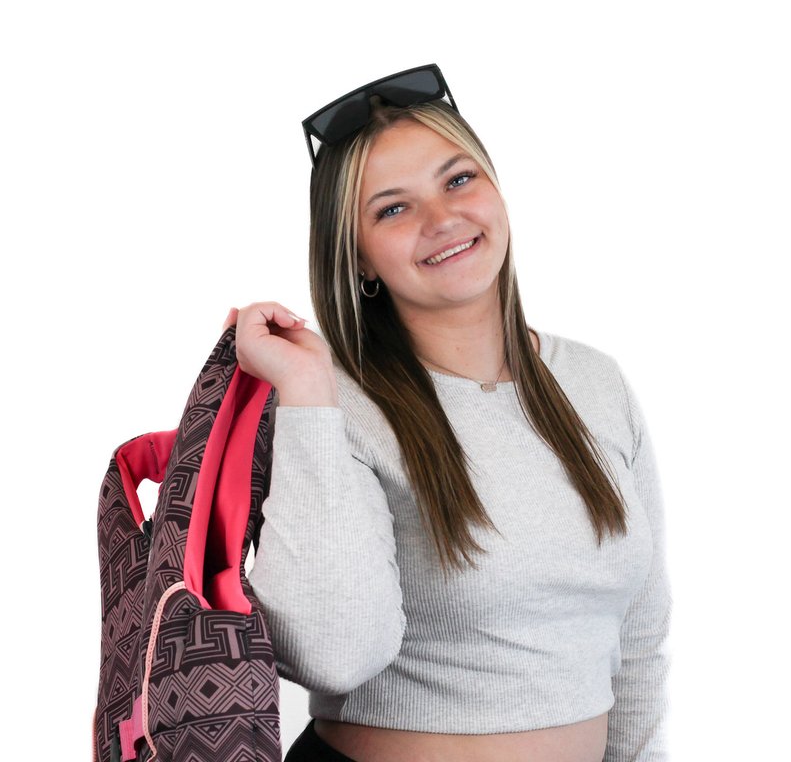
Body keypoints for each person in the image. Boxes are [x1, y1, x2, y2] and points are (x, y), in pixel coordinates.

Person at [223, 64, 671, 762]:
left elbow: (639, 638)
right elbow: (332, 654)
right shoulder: (335, 405)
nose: (443, 220)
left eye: (458, 179)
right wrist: (310, 395)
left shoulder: (595, 382)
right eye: (392, 209)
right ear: (359, 259)